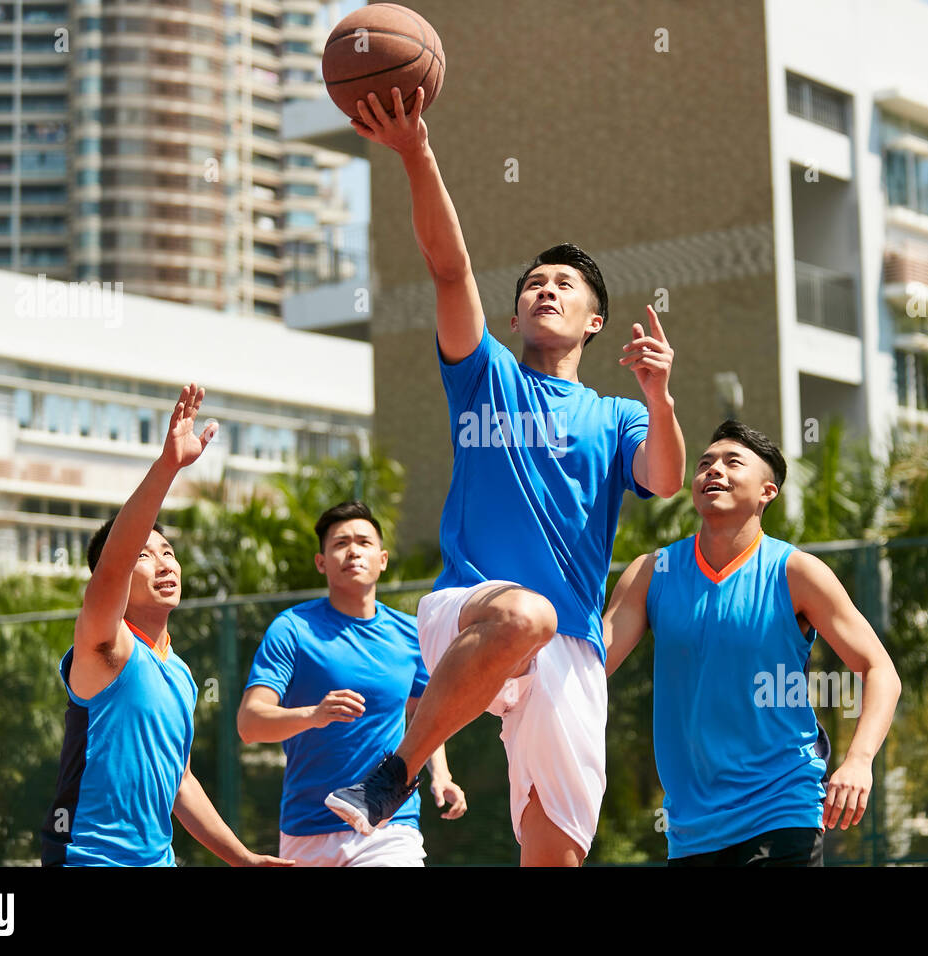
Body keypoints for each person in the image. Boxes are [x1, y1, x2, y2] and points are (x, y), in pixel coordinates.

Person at [325, 88, 687, 866]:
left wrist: (660, 398)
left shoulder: (617, 414)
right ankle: (396, 772)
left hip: (572, 648)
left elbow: (664, 477)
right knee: (528, 615)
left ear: (594, 320)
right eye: (532, 285)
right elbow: (448, 268)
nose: (544, 289)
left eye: (563, 284)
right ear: (515, 317)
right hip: (469, 613)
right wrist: (416, 151)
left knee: (555, 858)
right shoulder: (484, 377)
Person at [602, 420, 902, 866]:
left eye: (731, 462)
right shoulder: (652, 573)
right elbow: (591, 665)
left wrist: (859, 760)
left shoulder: (796, 573)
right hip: (691, 830)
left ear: (767, 492)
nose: (712, 471)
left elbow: (880, 671)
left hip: (782, 808)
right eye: (705, 464)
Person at [41, 384, 291, 867]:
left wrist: (242, 857)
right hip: (86, 859)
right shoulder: (105, 647)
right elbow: (111, 568)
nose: (163, 563)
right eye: (144, 555)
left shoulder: (180, 674)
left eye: (169, 553)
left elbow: (180, 783)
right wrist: (167, 468)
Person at [237, 501, 466, 867]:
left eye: (364, 542)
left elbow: (426, 714)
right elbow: (250, 724)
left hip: (389, 827)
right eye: (340, 543)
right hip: (307, 829)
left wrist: (442, 774)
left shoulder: (411, 635)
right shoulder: (292, 629)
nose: (353, 550)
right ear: (321, 562)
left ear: (383, 559)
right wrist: (314, 714)